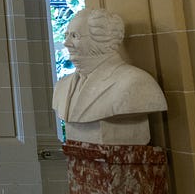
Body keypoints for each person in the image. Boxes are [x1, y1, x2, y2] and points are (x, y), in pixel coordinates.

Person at [52, 8, 167, 144]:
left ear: (103, 40)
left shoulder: (136, 83)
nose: (66, 43)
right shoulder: (62, 86)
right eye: (66, 35)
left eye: (74, 36)